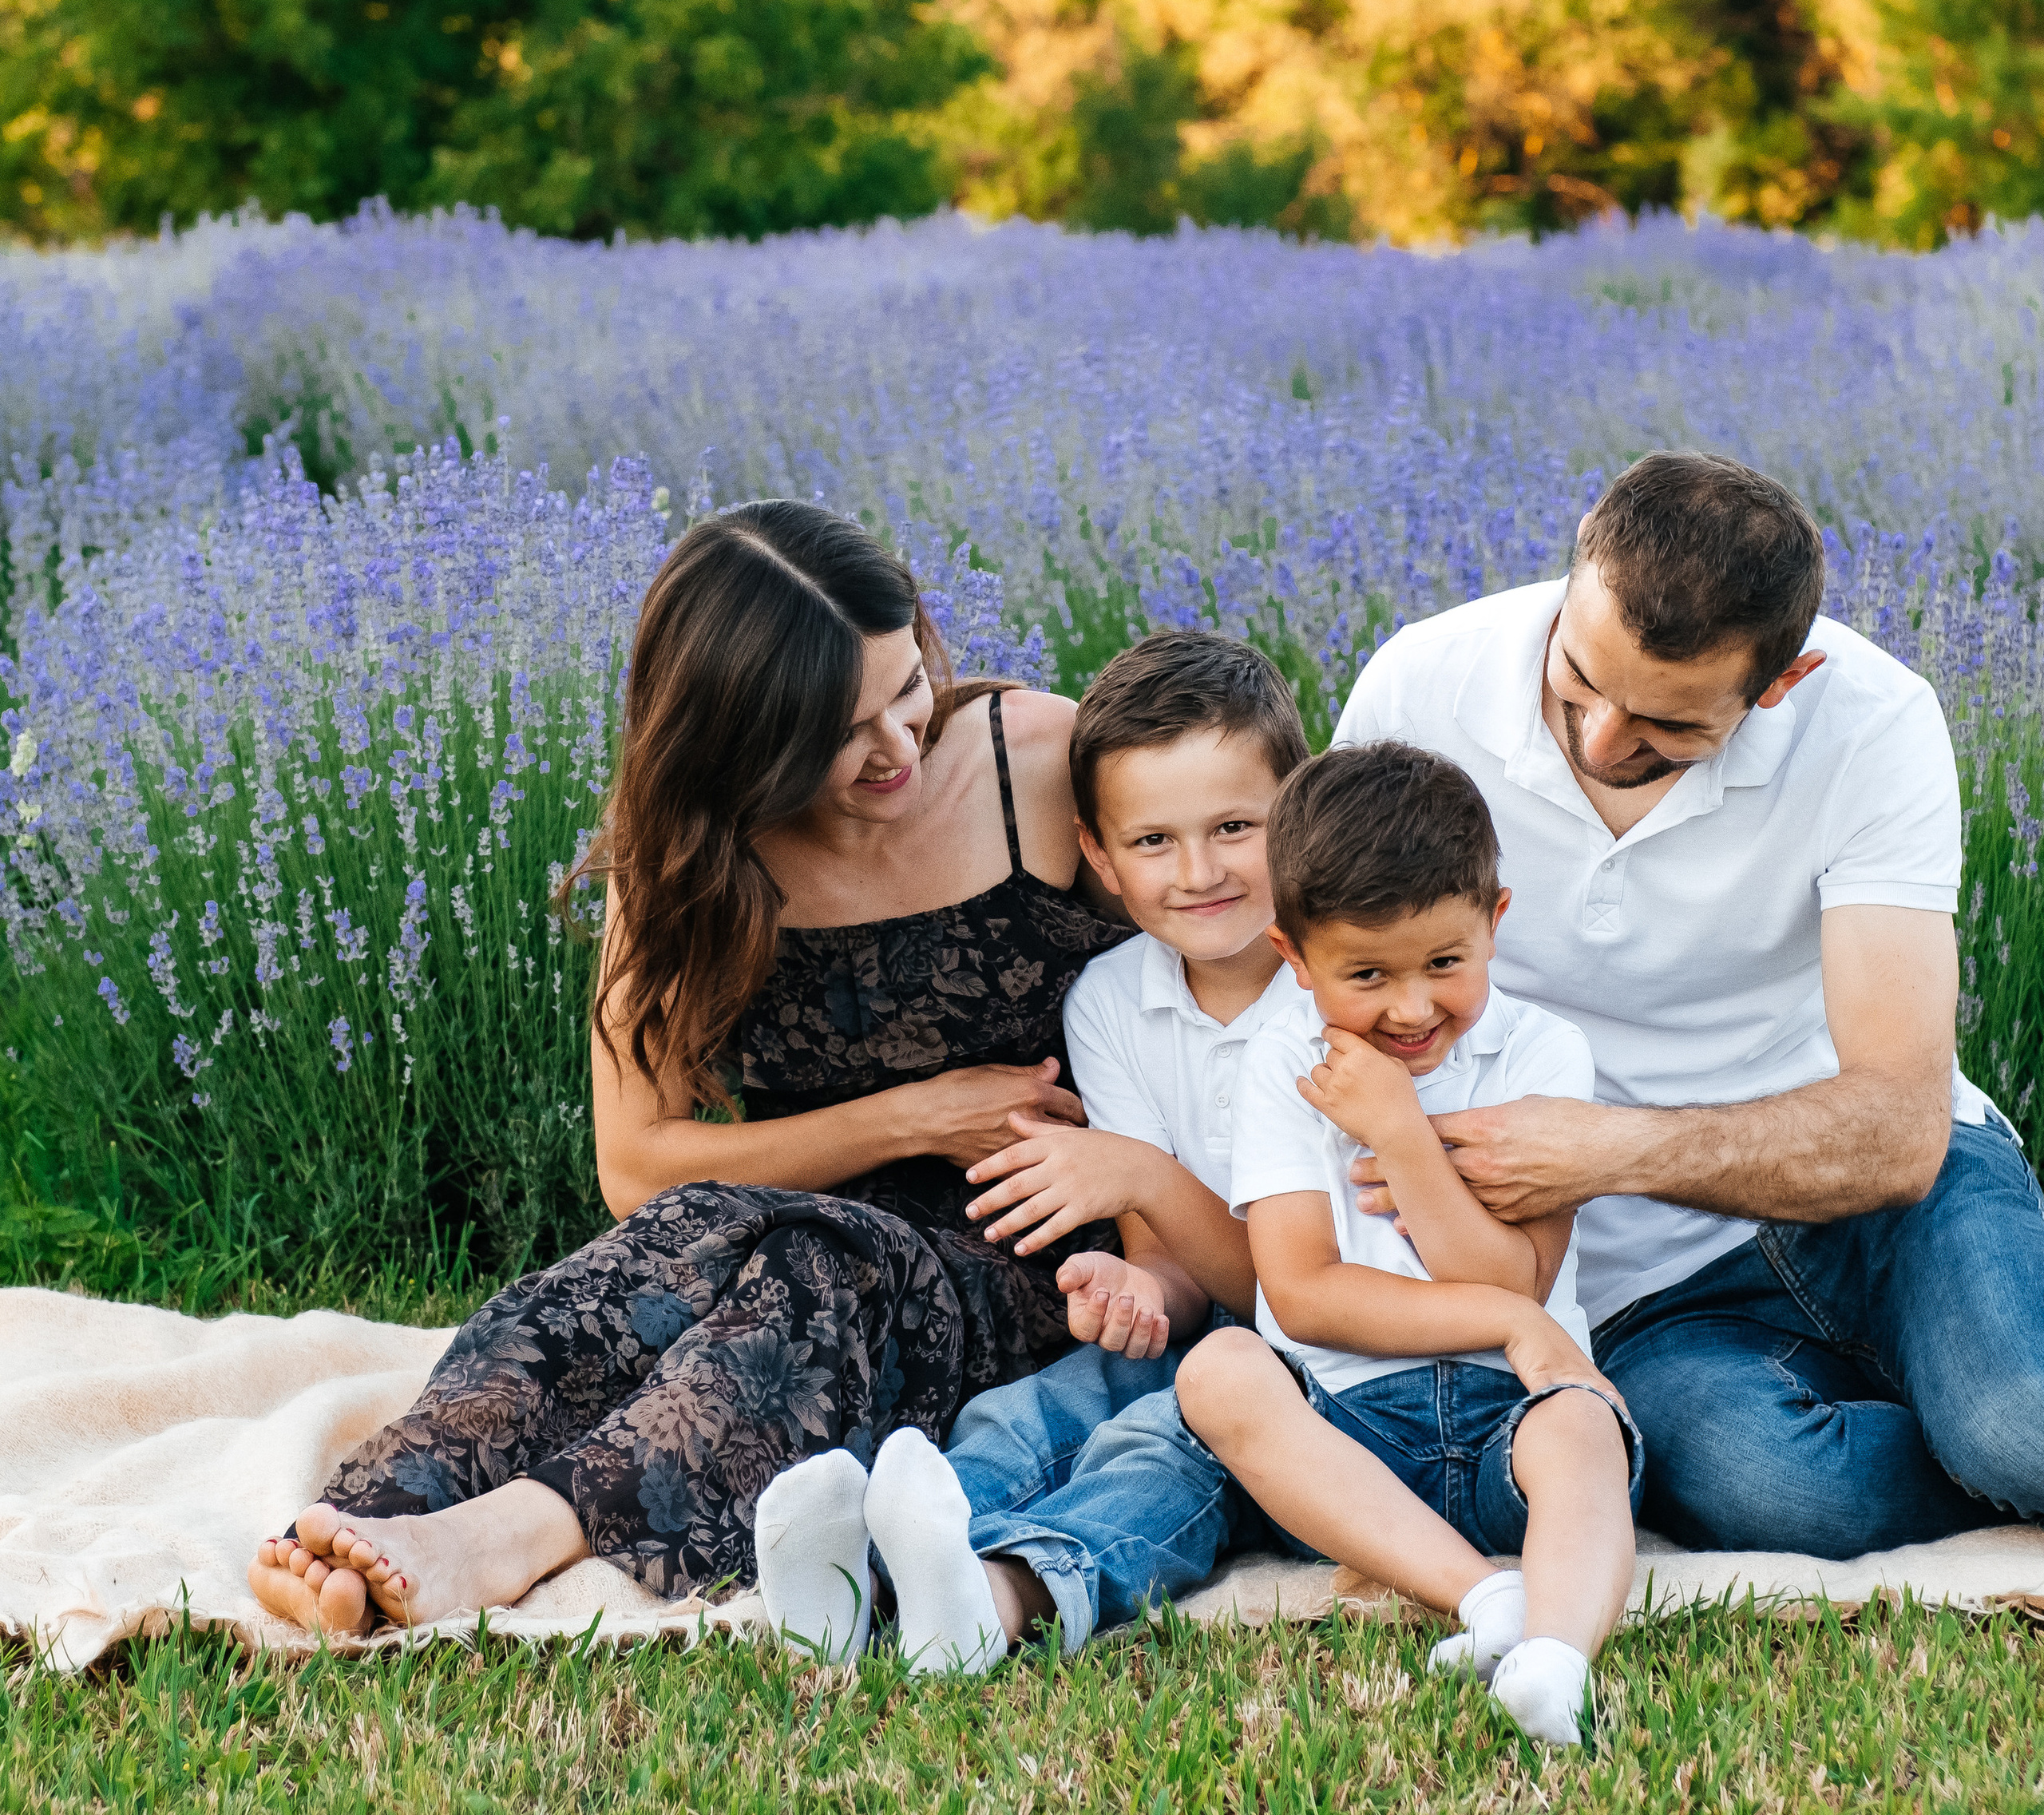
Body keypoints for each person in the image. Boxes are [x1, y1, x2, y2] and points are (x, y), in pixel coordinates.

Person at [247, 499, 1132, 1638]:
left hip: (1031, 1252)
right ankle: (357, 1517)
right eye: (838, 729)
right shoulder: (684, 853)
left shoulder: (1042, 764)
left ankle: (507, 1539)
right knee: (606, 1290)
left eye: (906, 686)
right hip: (769, 1223)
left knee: (809, 1273)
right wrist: (913, 1115)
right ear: (740, 738)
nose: (899, 747)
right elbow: (638, 1165)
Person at [1331, 450, 2044, 1556]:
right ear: (1577, 560)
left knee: (2019, 1429)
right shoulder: (1419, 686)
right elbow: (1338, 974)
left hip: (1890, 1211)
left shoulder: (1872, 720)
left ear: (1780, 684)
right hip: (1645, 1284)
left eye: (1670, 724)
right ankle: (1950, 1417)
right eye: (1582, 679)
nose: (1603, 740)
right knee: (1788, 1496)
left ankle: (1981, 1417)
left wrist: (1606, 1148)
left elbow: (1902, 1132)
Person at [754, 630, 1308, 1670]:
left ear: (1302, 813)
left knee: (1163, 1457)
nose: (1197, 873)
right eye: (1153, 843)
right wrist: (1137, 1292)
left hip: (1339, 1362)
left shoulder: (1345, 993)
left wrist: (1141, 1178)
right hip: (1214, 1336)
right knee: (1027, 1414)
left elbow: (1301, 1293)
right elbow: (1175, 1265)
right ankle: (859, 1581)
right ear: (1097, 854)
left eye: (1236, 826)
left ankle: (1001, 1602)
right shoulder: (1113, 999)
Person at [1175, 743, 1642, 1748]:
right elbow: (1301, 1297)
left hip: (1508, 1427)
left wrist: (1400, 1133)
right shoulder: (1281, 1062)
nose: (1412, 1008)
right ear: (1293, 959)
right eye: (1365, 974)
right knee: (1219, 1369)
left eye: (1444, 962)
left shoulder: (1542, 1052)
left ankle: (1555, 1658)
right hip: (1347, 1441)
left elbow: (1517, 1271)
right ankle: (1484, 1600)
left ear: (1494, 922)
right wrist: (1515, 1320)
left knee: (1584, 1427)